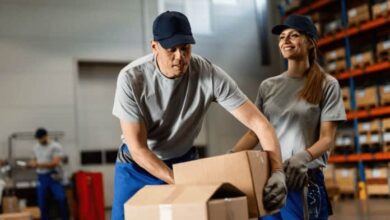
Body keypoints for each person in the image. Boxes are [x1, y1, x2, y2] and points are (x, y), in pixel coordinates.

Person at [111, 11, 287, 220]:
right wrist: (179, 181)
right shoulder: (131, 79)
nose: (180, 57)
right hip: (137, 167)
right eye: (171, 50)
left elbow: (260, 124)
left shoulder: (208, 74)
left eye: (185, 49)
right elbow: (138, 149)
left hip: (183, 162)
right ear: (154, 47)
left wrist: (277, 171)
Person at [231, 15, 346, 220]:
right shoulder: (268, 86)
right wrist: (230, 157)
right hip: (270, 181)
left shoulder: (327, 85)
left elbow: (327, 138)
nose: (285, 40)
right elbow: (254, 132)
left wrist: (303, 156)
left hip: (301, 180)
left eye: (294, 35)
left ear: (310, 42)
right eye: (282, 37)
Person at [28, 128, 69, 220]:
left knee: (61, 199)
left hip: (53, 176)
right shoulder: (36, 147)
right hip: (41, 177)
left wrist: (37, 164)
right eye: (38, 139)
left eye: (41, 138)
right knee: (42, 202)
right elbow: (33, 159)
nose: (39, 140)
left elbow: (54, 163)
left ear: (46, 136)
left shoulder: (55, 146)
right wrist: (30, 164)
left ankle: (65, 218)